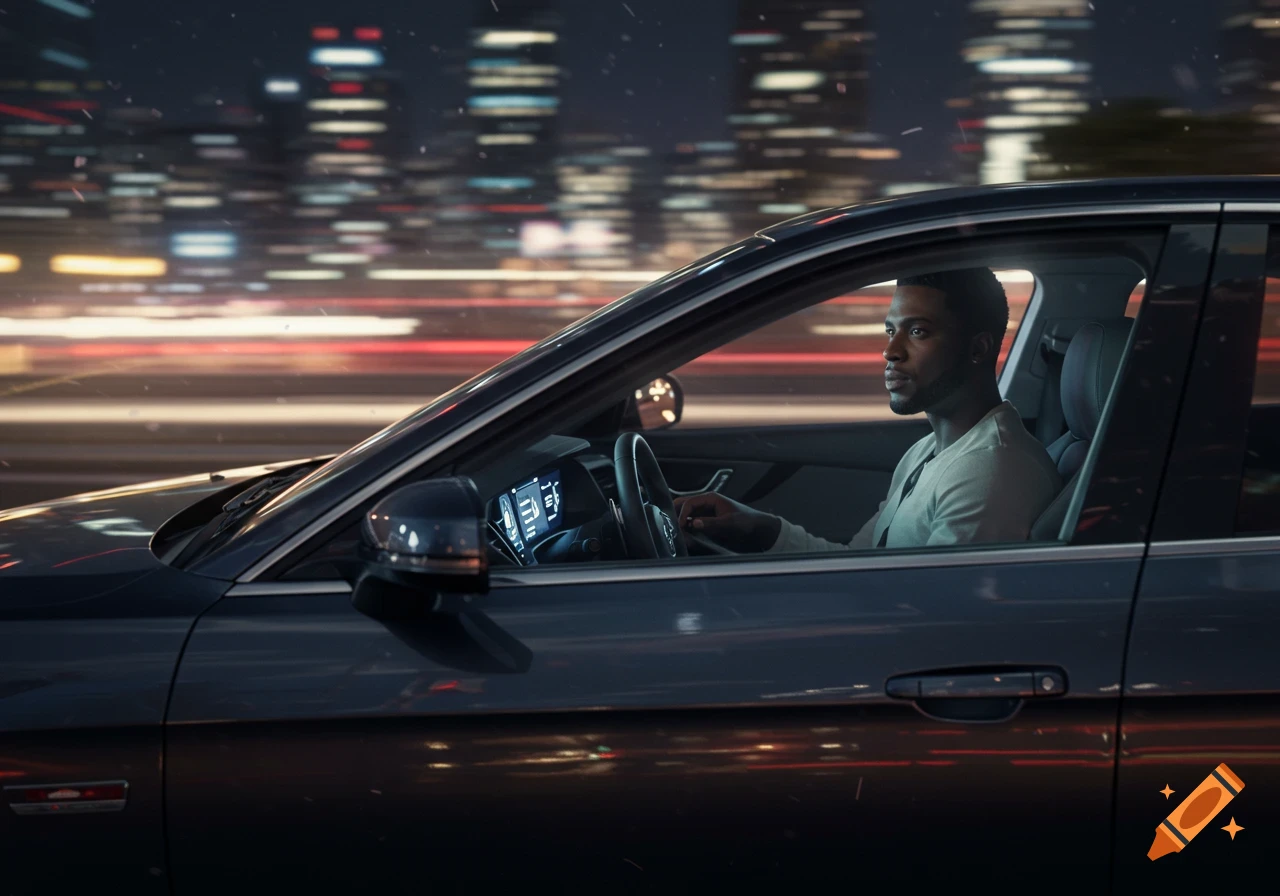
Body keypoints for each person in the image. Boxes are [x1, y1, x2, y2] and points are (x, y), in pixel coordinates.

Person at [673, 268, 1063, 553]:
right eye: (891, 330)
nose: (891, 351)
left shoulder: (989, 471)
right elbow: (860, 562)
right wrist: (757, 527)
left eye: (918, 332)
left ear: (977, 349)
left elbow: (932, 618)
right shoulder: (930, 450)